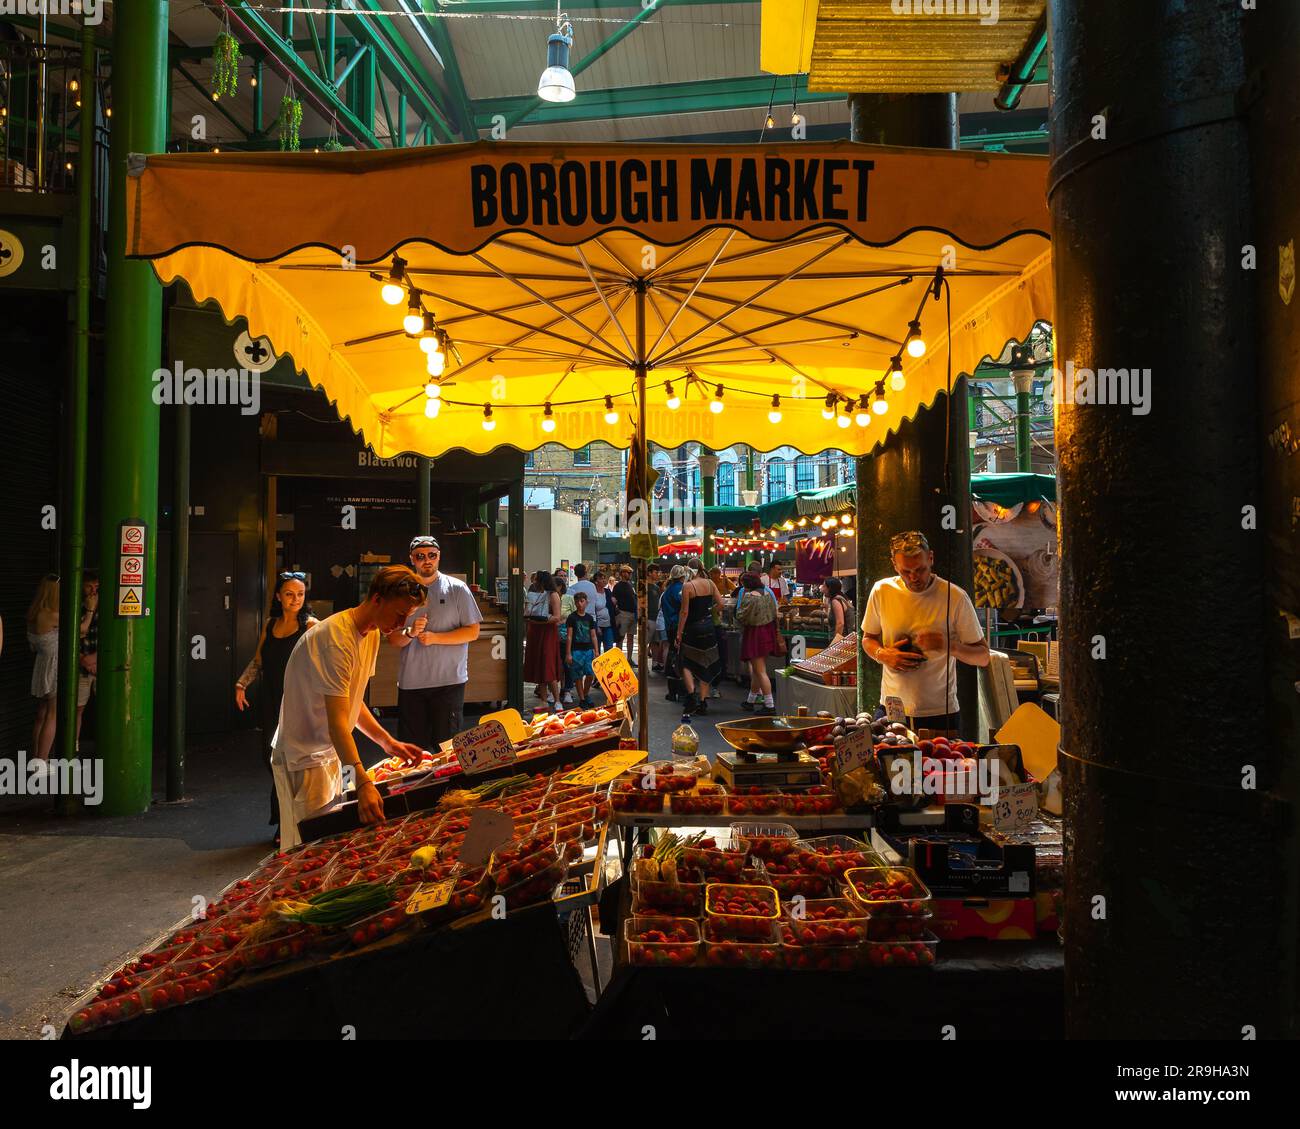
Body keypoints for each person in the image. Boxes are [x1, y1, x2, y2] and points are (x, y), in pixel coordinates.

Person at [271, 566, 427, 849]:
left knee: (331, 843)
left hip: (327, 751)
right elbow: (337, 722)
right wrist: (363, 780)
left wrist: (387, 742)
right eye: (399, 614)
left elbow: (352, 703)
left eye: (408, 616)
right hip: (303, 755)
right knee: (308, 850)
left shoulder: (370, 635)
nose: (402, 622)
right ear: (377, 599)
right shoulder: (336, 639)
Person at [861, 530, 989, 732]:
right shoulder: (881, 591)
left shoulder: (955, 597)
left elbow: (983, 657)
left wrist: (948, 645)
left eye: (920, 569)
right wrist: (883, 654)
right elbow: (868, 638)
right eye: (905, 571)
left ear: (931, 558)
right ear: (894, 565)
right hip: (891, 709)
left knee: (938, 764)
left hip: (939, 714)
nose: (913, 577)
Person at [236, 571, 317, 841]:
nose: (296, 599)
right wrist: (241, 684)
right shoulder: (270, 624)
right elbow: (259, 661)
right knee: (274, 761)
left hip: (299, 702)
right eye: (290, 594)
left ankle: (291, 824)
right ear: (278, 597)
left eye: (300, 594)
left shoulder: (311, 626)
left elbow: (327, 663)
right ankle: (286, 820)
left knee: (294, 762)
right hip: (272, 700)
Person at [389, 535, 483, 751]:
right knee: (413, 752)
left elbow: (473, 631)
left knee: (448, 749)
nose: (427, 560)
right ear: (412, 559)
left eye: (432, 555)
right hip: (411, 684)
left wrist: (435, 638)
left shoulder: (457, 588)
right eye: (420, 556)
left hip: (449, 682)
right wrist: (411, 632)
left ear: (439, 556)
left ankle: (450, 787)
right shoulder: (400, 592)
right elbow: (393, 638)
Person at [675, 558, 723, 714]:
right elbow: (721, 604)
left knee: (686, 662)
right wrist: (710, 612)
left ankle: (691, 696)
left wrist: (679, 633)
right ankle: (703, 702)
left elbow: (684, 612)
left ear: (689, 570)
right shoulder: (710, 583)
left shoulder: (688, 586)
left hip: (692, 628)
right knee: (706, 662)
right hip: (709, 627)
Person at [26, 574, 59, 760]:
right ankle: (43, 759)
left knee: (42, 713)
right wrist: (90, 610)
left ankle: (36, 757)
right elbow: (82, 629)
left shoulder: (33, 614)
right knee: (52, 715)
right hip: (53, 666)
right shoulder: (52, 615)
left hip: (41, 665)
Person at [736, 571, 779, 714]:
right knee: (756, 669)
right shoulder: (768, 594)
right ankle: (750, 700)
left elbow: (740, 615)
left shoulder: (749, 597)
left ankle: (769, 705)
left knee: (760, 671)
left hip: (754, 634)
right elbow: (775, 613)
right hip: (767, 632)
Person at [523, 569, 563, 712]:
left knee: (548, 664)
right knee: (539, 665)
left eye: (536, 580)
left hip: (546, 632)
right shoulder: (535, 594)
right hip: (536, 631)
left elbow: (557, 617)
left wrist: (538, 621)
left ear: (542, 581)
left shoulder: (553, 595)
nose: (534, 582)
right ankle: (544, 700)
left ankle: (557, 700)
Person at [76, 571, 99, 748]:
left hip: (99, 664)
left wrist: (95, 659)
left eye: (97, 587)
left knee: (106, 708)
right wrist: (83, 659)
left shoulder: (105, 607)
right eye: (89, 586)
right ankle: (73, 746)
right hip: (82, 665)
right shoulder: (76, 607)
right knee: (77, 709)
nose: (93, 591)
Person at [565, 590, 599, 708]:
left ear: (586, 602)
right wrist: (568, 653)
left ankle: (586, 693)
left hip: (588, 650)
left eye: (582, 601)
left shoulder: (589, 618)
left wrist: (596, 650)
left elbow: (593, 635)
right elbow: (569, 636)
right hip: (576, 650)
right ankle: (582, 698)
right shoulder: (572, 618)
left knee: (590, 674)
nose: (580, 604)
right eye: (577, 602)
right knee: (578, 676)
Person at [660, 564, 687, 701]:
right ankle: (682, 691)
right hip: (678, 627)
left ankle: (672, 692)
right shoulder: (680, 590)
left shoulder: (667, 590)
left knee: (672, 655)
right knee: (680, 658)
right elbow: (684, 608)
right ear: (682, 576)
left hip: (669, 626)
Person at [556, 577, 576, 705]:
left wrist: (563, 620)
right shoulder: (549, 598)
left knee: (567, 664)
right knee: (555, 664)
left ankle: (567, 690)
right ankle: (556, 691)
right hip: (552, 635)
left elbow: (574, 615)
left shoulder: (568, 598)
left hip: (566, 634)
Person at [613, 564, 638, 660]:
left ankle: (629, 659)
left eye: (630, 573)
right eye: (628, 572)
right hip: (623, 613)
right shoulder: (618, 586)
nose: (630, 574)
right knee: (621, 638)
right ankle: (619, 659)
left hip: (632, 613)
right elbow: (614, 600)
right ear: (623, 573)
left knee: (630, 637)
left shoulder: (630, 585)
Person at [645, 563, 665, 671]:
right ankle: (643, 664)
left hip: (656, 618)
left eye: (658, 572)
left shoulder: (656, 587)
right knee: (645, 642)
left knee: (655, 642)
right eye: (656, 572)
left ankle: (655, 663)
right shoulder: (644, 586)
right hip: (649, 618)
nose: (658, 574)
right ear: (649, 573)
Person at [823, 576, 854, 642]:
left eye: (824, 586)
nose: (822, 589)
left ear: (829, 588)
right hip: (847, 639)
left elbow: (840, 623)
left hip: (842, 642)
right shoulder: (843, 598)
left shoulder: (836, 601)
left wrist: (835, 642)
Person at [592, 570, 615, 651]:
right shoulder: (593, 593)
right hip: (597, 625)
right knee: (596, 649)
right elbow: (592, 611)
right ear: (596, 581)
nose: (604, 580)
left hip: (608, 624)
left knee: (609, 649)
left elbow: (612, 606)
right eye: (601, 578)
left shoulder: (608, 592)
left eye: (605, 578)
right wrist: (596, 626)